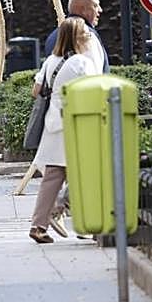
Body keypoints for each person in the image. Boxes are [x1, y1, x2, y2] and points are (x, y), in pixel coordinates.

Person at [30, 16, 102, 243]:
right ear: (77, 36)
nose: (88, 37)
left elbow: (36, 90)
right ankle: (79, 220)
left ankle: (39, 224)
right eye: (85, 34)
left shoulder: (51, 61)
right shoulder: (82, 62)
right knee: (88, 172)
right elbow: (95, 90)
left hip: (53, 123)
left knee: (53, 175)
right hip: (77, 124)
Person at [42, 0, 109, 72]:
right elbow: (96, 74)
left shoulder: (52, 36)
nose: (100, 10)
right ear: (82, 9)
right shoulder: (87, 35)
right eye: (95, 6)